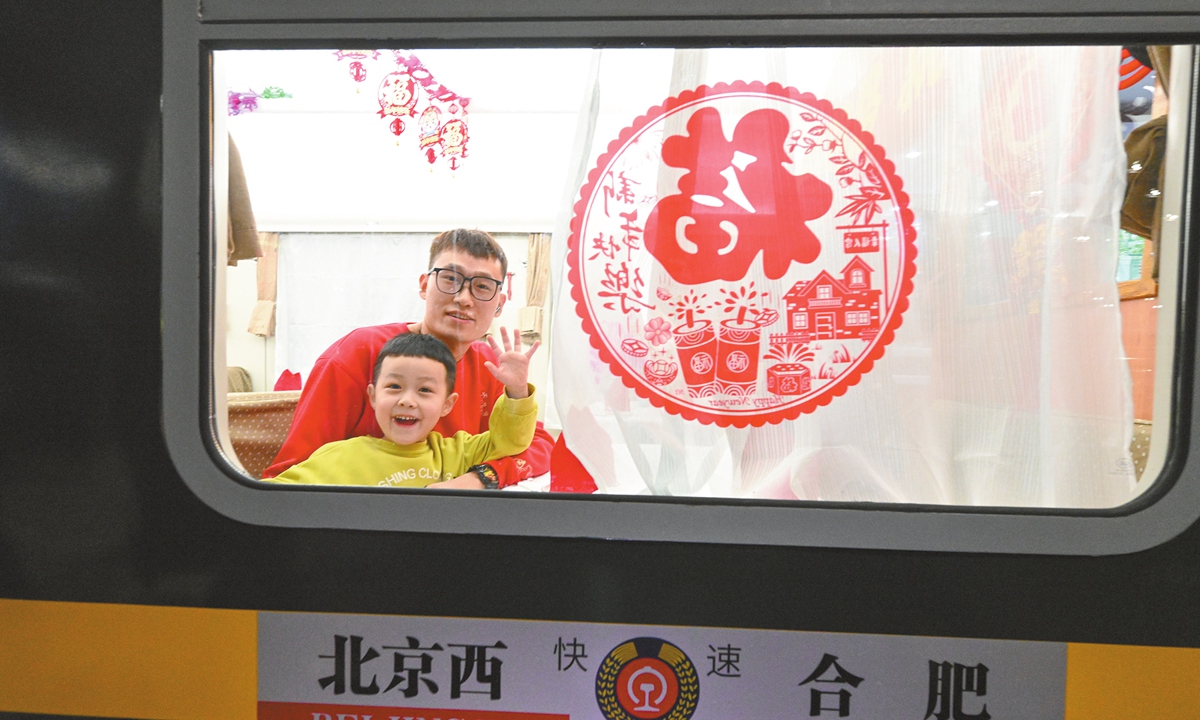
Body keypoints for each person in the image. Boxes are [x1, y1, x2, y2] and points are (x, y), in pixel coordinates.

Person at [262, 229, 553, 488]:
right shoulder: (358, 353)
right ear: (425, 285)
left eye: (482, 287)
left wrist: (480, 477)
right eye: (451, 279)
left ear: (499, 304)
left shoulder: (492, 364)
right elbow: (287, 477)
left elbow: (538, 445)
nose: (464, 298)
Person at [266, 332, 537, 488]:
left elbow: (511, 441)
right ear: (372, 396)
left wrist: (516, 391)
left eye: (425, 390)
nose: (407, 400)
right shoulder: (340, 457)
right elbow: (273, 497)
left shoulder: (457, 452)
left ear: (447, 405)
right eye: (394, 386)